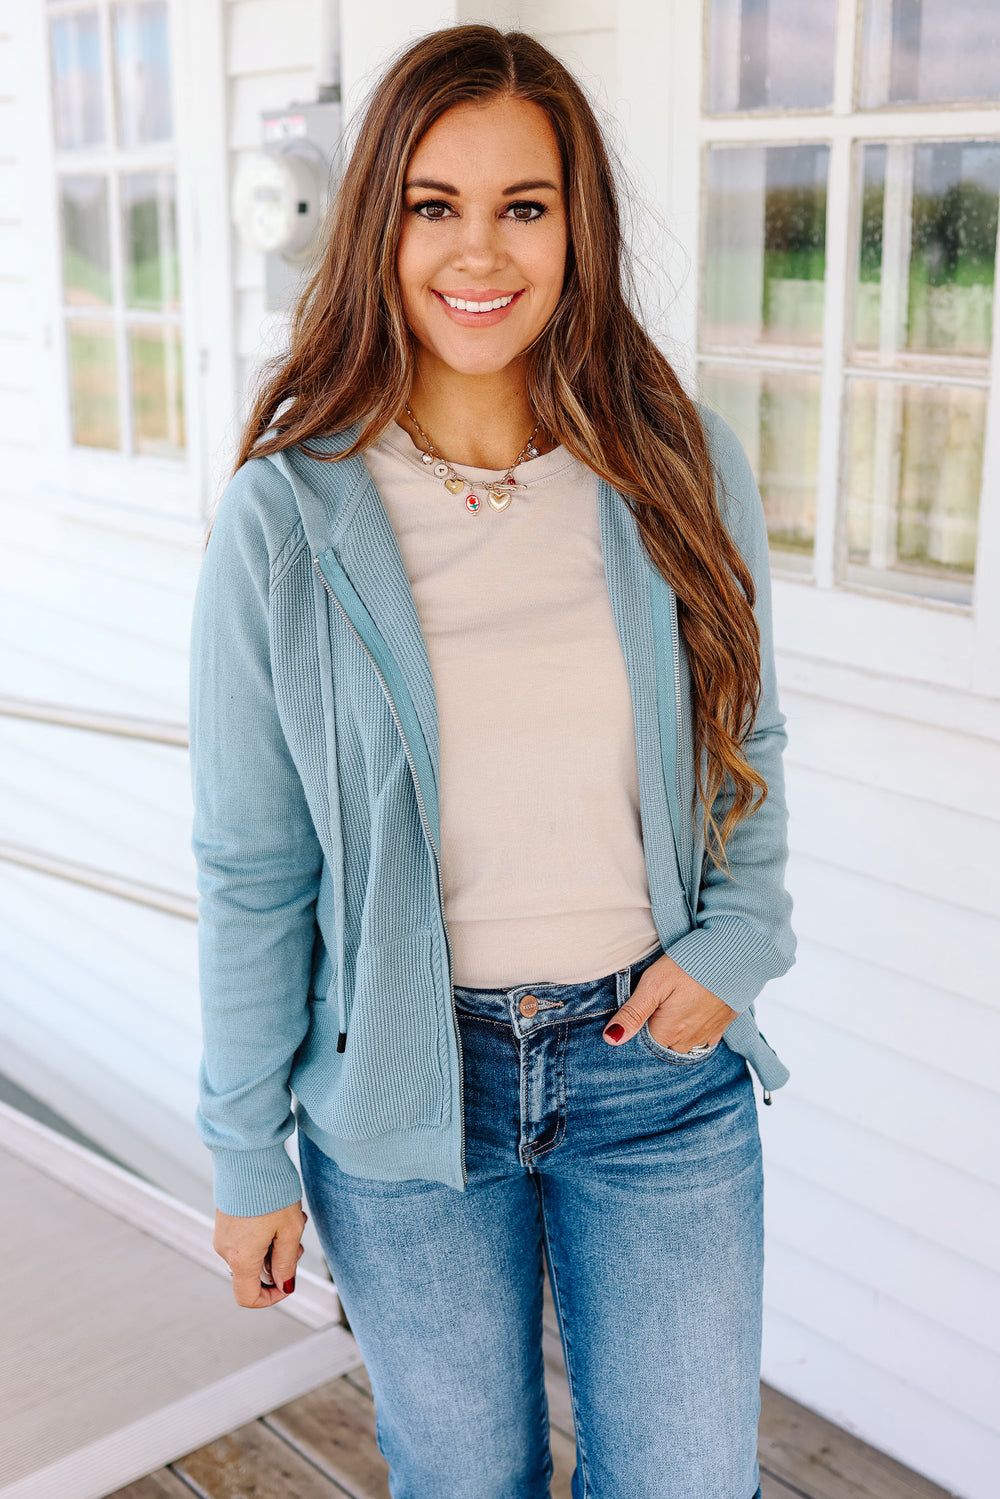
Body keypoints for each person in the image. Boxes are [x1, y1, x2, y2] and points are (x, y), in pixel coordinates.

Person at [189, 23, 795, 1499]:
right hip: (407, 1089)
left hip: (654, 1072)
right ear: (376, 225)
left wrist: (739, 940)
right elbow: (254, 866)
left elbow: (747, 740)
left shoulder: (680, 466)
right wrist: (246, 1152)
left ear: (578, 229)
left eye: (525, 205)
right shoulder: (287, 519)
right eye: (433, 205)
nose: (481, 252)